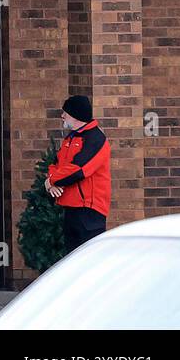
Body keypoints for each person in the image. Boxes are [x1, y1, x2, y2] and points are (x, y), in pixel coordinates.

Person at [46, 95, 111, 254]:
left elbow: (78, 169)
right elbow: (55, 164)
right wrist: (50, 182)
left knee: (90, 260)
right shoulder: (71, 138)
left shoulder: (95, 139)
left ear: (76, 115)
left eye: (65, 113)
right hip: (71, 208)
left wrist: (50, 181)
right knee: (72, 259)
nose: (62, 116)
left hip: (89, 211)